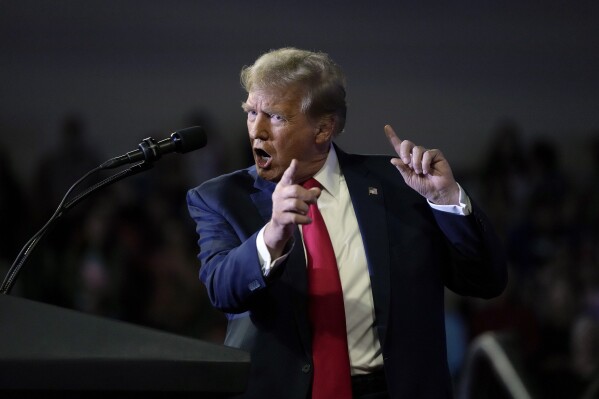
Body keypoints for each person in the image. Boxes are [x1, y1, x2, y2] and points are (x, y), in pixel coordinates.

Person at [186, 47, 507, 399]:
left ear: (323, 129)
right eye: (251, 113)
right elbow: (222, 290)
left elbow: (485, 281)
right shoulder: (220, 198)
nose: (257, 130)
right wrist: (272, 235)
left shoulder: (401, 186)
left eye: (275, 117)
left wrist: (447, 202)